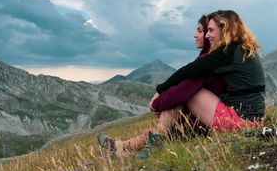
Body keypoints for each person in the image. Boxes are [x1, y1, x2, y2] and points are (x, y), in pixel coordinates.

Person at [99, 10, 266, 158]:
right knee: (174, 116)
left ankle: (146, 144)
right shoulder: (238, 49)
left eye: (211, 30)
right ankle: (123, 148)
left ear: (226, 30)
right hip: (248, 118)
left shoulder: (227, 52)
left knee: (188, 92)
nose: (207, 35)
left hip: (240, 122)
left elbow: (188, 72)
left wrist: (159, 93)